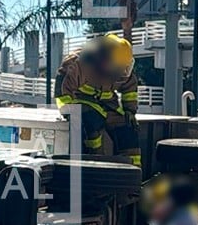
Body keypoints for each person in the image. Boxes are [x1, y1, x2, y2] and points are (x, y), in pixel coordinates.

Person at [55, 34, 141, 167]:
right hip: (83, 102)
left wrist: (129, 110)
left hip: (108, 105)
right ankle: (97, 164)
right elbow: (62, 90)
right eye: (117, 67)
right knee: (93, 124)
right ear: (104, 58)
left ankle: (134, 172)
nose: (121, 72)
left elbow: (129, 88)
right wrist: (69, 112)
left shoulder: (121, 68)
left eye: (124, 68)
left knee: (128, 128)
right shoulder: (79, 63)